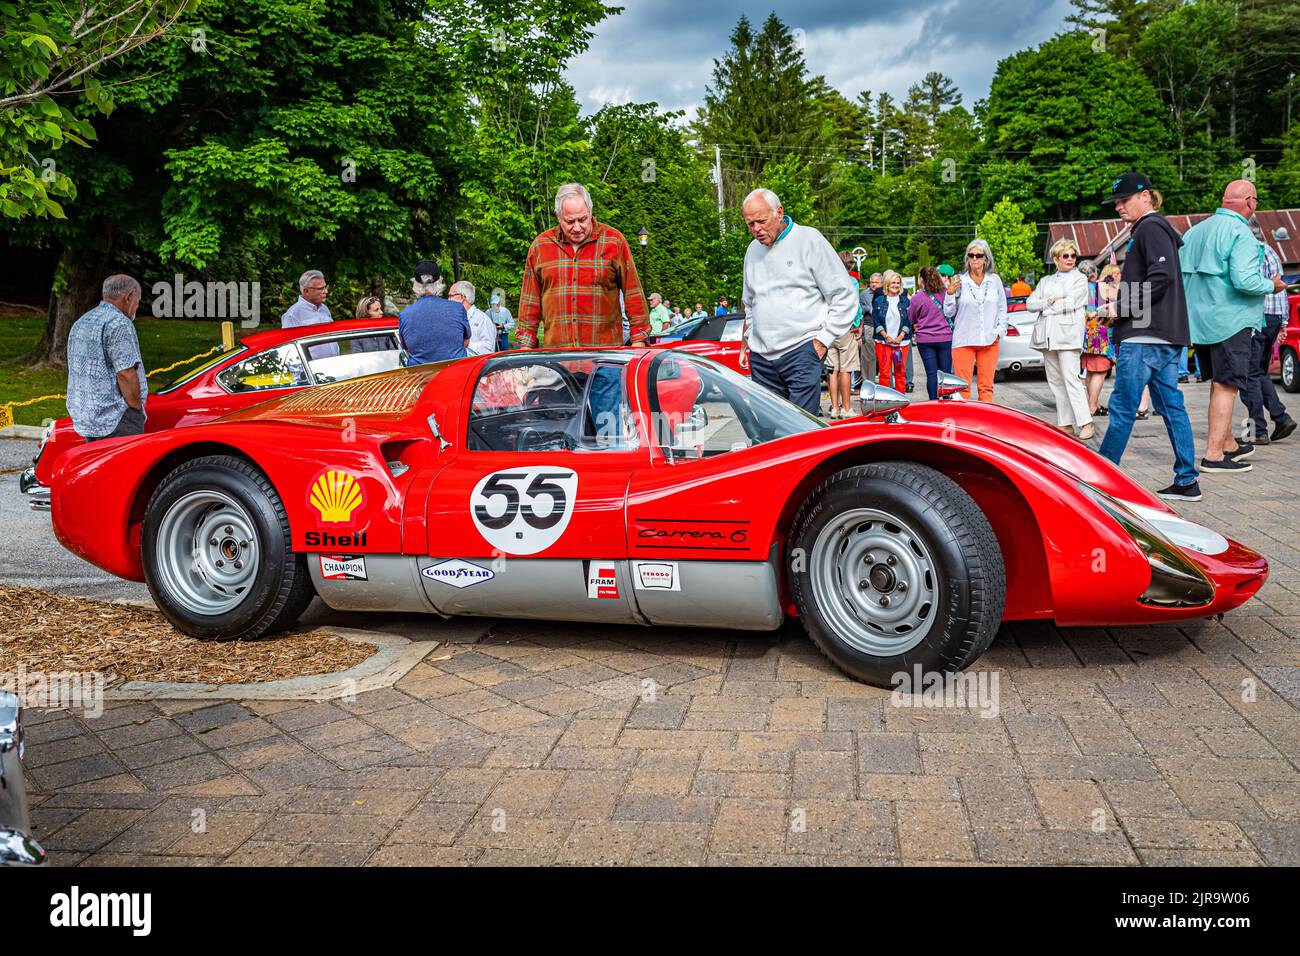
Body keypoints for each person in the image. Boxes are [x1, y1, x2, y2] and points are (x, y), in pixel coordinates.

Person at [1096, 172, 1200, 501]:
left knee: (1123, 408)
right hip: (1164, 335)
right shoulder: (1155, 229)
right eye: (1116, 202)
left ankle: (1098, 482)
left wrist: (1118, 307)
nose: (1118, 207)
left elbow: (1161, 278)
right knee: (1172, 407)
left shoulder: (1151, 228)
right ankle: (1187, 480)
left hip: (1144, 338)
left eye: (1124, 200)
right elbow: (1160, 280)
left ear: (1145, 197)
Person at [1181, 179, 1282, 474]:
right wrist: (1272, 286)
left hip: (1199, 322)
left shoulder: (1195, 230)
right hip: (1230, 321)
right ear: (1251, 202)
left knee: (1217, 382)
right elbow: (1246, 282)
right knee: (1228, 386)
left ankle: (1227, 444)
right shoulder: (1242, 234)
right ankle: (1214, 455)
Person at [738, 188, 856, 415]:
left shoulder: (808, 240)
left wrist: (822, 342)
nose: (756, 230)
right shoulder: (752, 250)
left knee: (800, 432)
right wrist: (750, 340)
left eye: (761, 221)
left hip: (801, 352)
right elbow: (750, 303)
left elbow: (844, 295)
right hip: (762, 359)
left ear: (779, 212)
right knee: (766, 431)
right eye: (750, 224)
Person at [517, 183, 650, 349]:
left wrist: (638, 341)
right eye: (570, 221)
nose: (577, 227)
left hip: (605, 357)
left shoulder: (614, 242)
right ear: (558, 216)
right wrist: (526, 346)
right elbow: (530, 303)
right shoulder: (540, 246)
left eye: (583, 219)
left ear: (591, 211)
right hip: (558, 358)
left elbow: (633, 294)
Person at [66, 274, 148, 441]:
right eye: (138, 302)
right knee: (125, 466)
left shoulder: (82, 321)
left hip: (87, 417)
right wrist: (136, 409)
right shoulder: (119, 323)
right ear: (129, 297)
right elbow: (125, 372)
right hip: (116, 418)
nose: (136, 307)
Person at [1028, 239, 1093, 439]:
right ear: (1056, 259)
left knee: (1071, 378)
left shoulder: (1079, 279)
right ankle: (1065, 423)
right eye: (1066, 256)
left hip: (1068, 336)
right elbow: (1030, 304)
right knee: (1056, 381)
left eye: (1073, 255)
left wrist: (1046, 307)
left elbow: (1072, 303)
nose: (1071, 259)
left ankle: (1086, 422)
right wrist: (1049, 301)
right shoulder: (1046, 281)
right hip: (1047, 337)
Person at [1243, 218, 1295, 444]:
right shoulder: (1271, 250)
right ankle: (1280, 417)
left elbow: (1251, 284)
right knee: (1260, 371)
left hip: (1260, 315)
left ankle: (1259, 429)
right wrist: (1283, 322)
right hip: (1274, 316)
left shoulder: (1251, 252)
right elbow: (1281, 288)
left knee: (1250, 374)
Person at [944, 238, 1006, 402]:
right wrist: (949, 294)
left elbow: (1002, 308)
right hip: (964, 340)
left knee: (986, 387)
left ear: (986, 259)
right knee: (962, 389)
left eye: (978, 255)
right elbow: (948, 312)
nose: (974, 259)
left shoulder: (994, 280)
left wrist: (999, 331)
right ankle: (965, 424)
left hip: (989, 339)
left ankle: (985, 425)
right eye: (970, 255)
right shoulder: (959, 281)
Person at [399, 259, 470, 364]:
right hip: (456, 375)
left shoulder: (405, 314)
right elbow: (466, 342)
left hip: (421, 377)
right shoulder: (457, 308)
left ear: (415, 283)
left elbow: (407, 349)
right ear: (440, 281)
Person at [825, 252, 862, 418]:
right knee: (846, 369)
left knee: (832, 369)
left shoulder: (826, 281)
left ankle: (834, 407)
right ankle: (846, 408)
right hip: (846, 328)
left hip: (828, 329)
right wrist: (858, 323)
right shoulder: (851, 281)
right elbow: (855, 305)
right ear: (851, 265)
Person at [910, 265, 953, 401]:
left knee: (931, 374)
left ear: (922, 279)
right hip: (945, 338)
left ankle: (934, 403)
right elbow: (953, 313)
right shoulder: (946, 293)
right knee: (945, 374)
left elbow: (911, 318)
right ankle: (946, 400)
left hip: (925, 340)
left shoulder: (918, 298)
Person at [1084, 264, 1120, 416]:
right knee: (1100, 371)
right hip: (1102, 331)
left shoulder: (1085, 287)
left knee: (1090, 370)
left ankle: (1093, 403)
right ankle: (1092, 406)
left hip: (1086, 332)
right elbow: (1122, 299)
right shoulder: (1104, 287)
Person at [871, 270, 912, 392]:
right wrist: (886, 336)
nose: (896, 285)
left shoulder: (905, 301)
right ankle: (885, 402)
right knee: (884, 373)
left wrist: (900, 336)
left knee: (900, 373)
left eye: (898, 283)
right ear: (887, 284)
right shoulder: (879, 301)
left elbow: (909, 320)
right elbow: (876, 320)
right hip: (883, 342)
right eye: (893, 282)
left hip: (901, 343)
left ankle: (900, 401)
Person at [449, 280, 497, 356]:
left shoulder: (483, 320)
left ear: (461, 297)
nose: (448, 300)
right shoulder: (453, 318)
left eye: (451, 296)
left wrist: (467, 344)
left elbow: (489, 350)